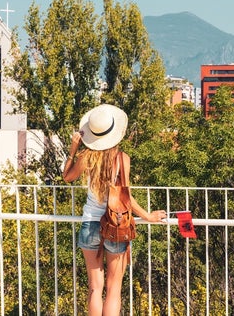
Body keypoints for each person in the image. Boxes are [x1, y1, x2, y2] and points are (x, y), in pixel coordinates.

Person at [62, 104, 167, 316]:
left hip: (90, 224)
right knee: (114, 289)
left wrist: (73, 150)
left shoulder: (86, 158)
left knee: (95, 288)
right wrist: (148, 216)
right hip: (115, 225)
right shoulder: (122, 159)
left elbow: (67, 177)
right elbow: (124, 198)